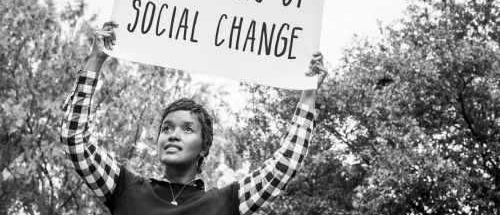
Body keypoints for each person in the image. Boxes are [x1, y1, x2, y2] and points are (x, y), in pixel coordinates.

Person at [60, 21, 328, 215]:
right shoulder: (124, 188)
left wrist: (308, 92)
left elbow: (285, 164)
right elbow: (75, 140)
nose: (173, 134)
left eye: (187, 129)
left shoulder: (226, 203)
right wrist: (95, 61)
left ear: (204, 146)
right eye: (166, 128)